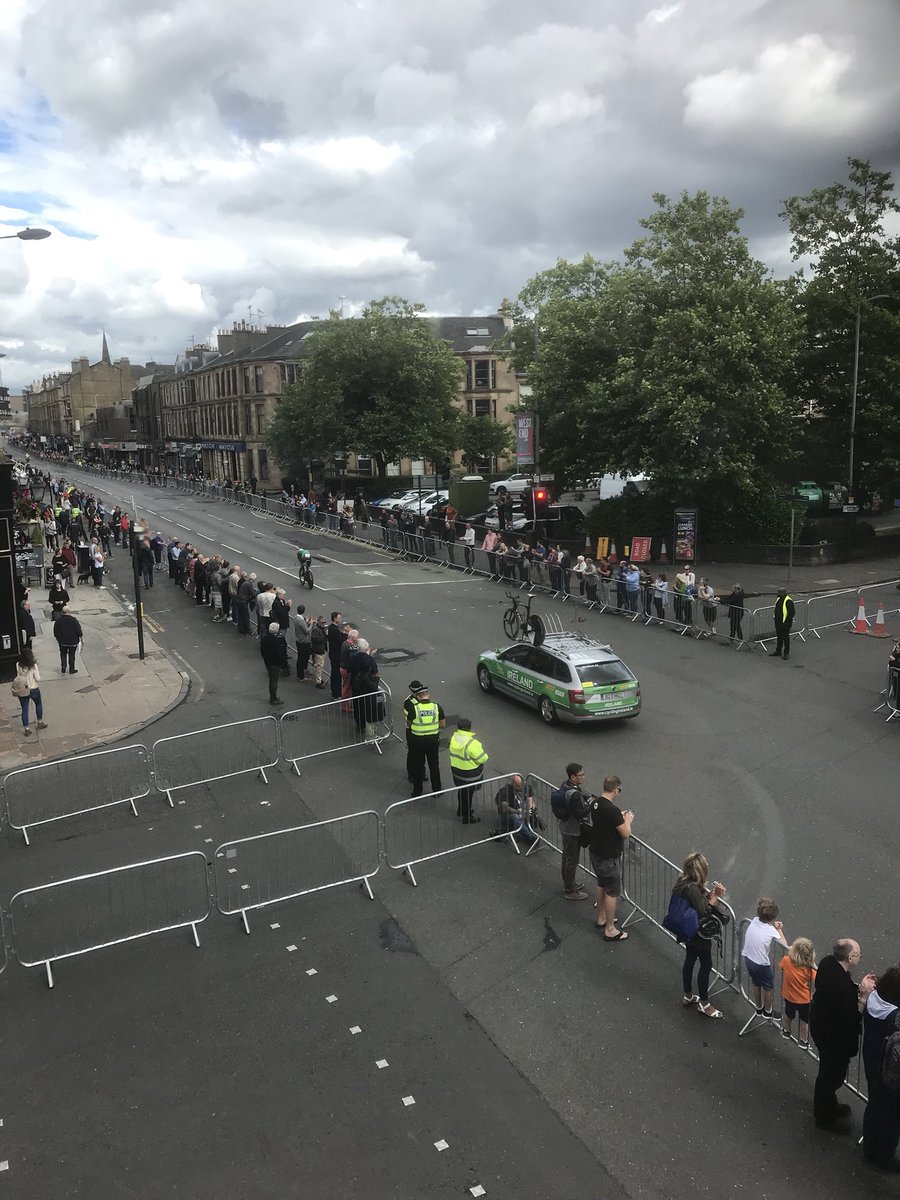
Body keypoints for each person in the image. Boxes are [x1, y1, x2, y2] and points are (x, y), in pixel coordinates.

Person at [810, 939, 877, 1132]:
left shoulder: (827, 963)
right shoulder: (843, 989)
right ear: (849, 958)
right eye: (858, 955)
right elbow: (851, 1018)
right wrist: (863, 996)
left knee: (827, 1072)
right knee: (831, 1076)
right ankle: (823, 1116)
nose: (859, 957)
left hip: (821, 1027)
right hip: (834, 1040)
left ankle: (830, 1105)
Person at [671, 852, 728, 1019]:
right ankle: (704, 1003)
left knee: (689, 960)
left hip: (686, 929)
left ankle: (688, 995)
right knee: (706, 964)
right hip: (698, 933)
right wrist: (715, 896)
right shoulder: (694, 889)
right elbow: (704, 911)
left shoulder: (682, 882)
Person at [861, 964, 900, 1173]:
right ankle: (883, 1158)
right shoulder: (894, 1016)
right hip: (891, 1073)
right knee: (892, 1117)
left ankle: (869, 1150)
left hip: (871, 1061)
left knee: (874, 1105)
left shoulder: (872, 1000)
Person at [587, 775, 634, 942]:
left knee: (601, 884)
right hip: (608, 857)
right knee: (612, 892)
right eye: (619, 790)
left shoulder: (596, 802)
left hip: (596, 852)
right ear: (615, 789)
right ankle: (610, 928)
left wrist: (618, 817)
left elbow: (604, 821)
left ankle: (601, 917)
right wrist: (627, 820)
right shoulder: (612, 810)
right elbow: (625, 833)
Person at [742, 898, 788, 1018]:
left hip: (748, 957)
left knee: (756, 983)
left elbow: (764, 925)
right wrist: (779, 929)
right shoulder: (770, 930)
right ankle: (768, 1011)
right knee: (768, 987)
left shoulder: (755, 920)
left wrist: (773, 925)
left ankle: (758, 1008)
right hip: (761, 964)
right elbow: (784, 945)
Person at [555, 763, 592, 901]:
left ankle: (568, 883)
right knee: (572, 859)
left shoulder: (565, 786)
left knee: (566, 856)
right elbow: (579, 813)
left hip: (565, 827)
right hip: (572, 830)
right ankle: (570, 889)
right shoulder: (574, 794)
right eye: (581, 775)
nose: (584, 777)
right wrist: (591, 806)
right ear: (572, 777)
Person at [404, 681, 445, 797]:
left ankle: (417, 791)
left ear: (418, 696)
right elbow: (442, 724)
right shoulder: (436, 706)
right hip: (432, 741)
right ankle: (436, 790)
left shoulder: (414, 708)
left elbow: (409, 724)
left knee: (418, 765)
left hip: (417, 741)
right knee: (434, 766)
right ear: (428, 694)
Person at [448, 718, 489, 823]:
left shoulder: (454, 738)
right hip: (470, 775)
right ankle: (467, 817)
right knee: (469, 795)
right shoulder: (471, 743)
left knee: (461, 791)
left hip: (457, 772)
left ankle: (461, 810)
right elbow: (483, 758)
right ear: (469, 728)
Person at [780, 937, 817, 1047]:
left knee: (788, 1015)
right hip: (804, 1000)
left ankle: (787, 1031)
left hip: (789, 997)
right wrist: (814, 966)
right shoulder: (809, 969)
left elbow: (781, 966)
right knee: (804, 1021)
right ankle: (803, 1040)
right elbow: (819, 977)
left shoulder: (786, 960)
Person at [350, 638, 382, 741]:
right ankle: (369, 731)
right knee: (367, 708)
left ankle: (360, 724)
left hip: (356, 686)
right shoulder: (369, 660)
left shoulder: (354, 658)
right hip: (367, 688)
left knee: (357, 705)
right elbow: (375, 672)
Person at [11, 647, 46, 736]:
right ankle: (40, 722)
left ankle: (26, 728)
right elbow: (38, 678)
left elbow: (18, 675)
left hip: (23, 689)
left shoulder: (18, 664)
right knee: (38, 704)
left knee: (25, 708)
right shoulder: (33, 665)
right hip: (33, 688)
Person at [493, 775, 537, 843]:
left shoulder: (527, 787)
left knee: (532, 810)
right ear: (514, 785)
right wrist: (518, 811)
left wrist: (532, 810)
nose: (521, 787)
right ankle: (529, 836)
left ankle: (530, 824)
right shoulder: (505, 792)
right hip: (507, 814)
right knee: (515, 817)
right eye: (519, 786)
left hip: (520, 808)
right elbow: (505, 809)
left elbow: (530, 801)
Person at [260, 621, 288, 705]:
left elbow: (262, 650)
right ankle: (273, 698)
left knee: (271, 679)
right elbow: (279, 654)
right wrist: (283, 663)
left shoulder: (265, 638)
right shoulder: (276, 641)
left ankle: (273, 697)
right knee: (274, 681)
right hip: (275, 664)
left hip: (268, 662)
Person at [53, 604, 83, 674]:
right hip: (72, 642)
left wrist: (58, 638)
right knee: (71, 655)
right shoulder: (74, 620)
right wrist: (81, 638)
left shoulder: (58, 621)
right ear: (69, 612)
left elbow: (55, 631)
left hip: (62, 641)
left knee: (63, 654)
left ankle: (63, 667)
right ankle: (71, 669)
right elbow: (79, 630)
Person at [771, 587, 795, 659]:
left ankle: (786, 653)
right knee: (779, 637)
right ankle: (778, 651)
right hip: (778, 622)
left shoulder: (788, 601)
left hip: (785, 623)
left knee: (786, 638)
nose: (777, 594)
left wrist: (786, 622)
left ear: (783, 593)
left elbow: (792, 613)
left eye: (778, 592)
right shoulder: (779, 599)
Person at [327, 611, 347, 699]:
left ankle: (334, 691)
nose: (340, 619)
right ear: (334, 618)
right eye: (339, 617)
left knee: (335, 673)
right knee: (336, 675)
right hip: (336, 655)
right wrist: (346, 633)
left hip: (332, 654)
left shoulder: (331, 628)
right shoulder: (334, 629)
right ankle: (336, 694)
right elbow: (340, 641)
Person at [293, 603, 311, 679]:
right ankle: (301, 675)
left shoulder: (296, 617)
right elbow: (307, 631)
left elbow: (302, 627)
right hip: (303, 641)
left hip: (298, 639)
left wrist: (306, 622)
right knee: (303, 658)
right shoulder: (300, 619)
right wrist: (312, 624)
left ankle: (301, 673)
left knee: (301, 657)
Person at [310, 615, 328, 688]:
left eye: (324, 622)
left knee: (320, 666)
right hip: (318, 650)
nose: (324, 624)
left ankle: (319, 679)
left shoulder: (321, 629)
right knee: (319, 667)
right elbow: (317, 640)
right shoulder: (315, 630)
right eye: (322, 622)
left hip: (321, 649)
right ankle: (318, 682)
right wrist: (325, 635)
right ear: (319, 622)